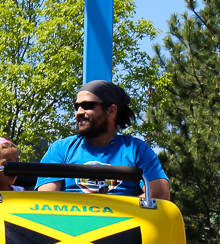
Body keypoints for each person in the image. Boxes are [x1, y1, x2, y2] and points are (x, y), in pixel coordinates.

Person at [36, 81, 170, 200]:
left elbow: (160, 195)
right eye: (77, 107)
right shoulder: (61, 149)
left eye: (87, 105)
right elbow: (47, 200)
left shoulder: (137, 150)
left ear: (111, 111)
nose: (79, 112)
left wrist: (111, 210)